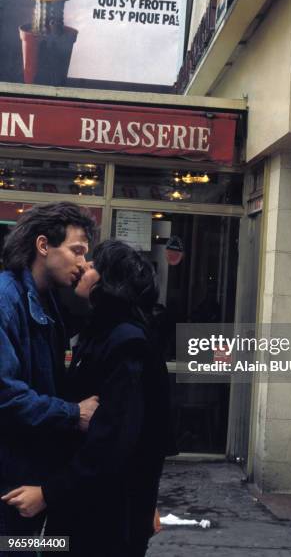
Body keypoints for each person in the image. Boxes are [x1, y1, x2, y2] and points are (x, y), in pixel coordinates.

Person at [3, 240, 172, 557]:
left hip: (101, 521)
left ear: (110, 282)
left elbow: (114, 441)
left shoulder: (127, 342)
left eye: (94, 264)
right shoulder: (104, 332)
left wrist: (47, 494)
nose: (84, 267)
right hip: (91, 509)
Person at [0, 202, 99, 551]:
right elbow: (5, 394)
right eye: (77, 251)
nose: (83, 263)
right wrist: (74, 414)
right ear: (43, 246)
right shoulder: (5, 300)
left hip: (28, 469)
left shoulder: (47, 301)